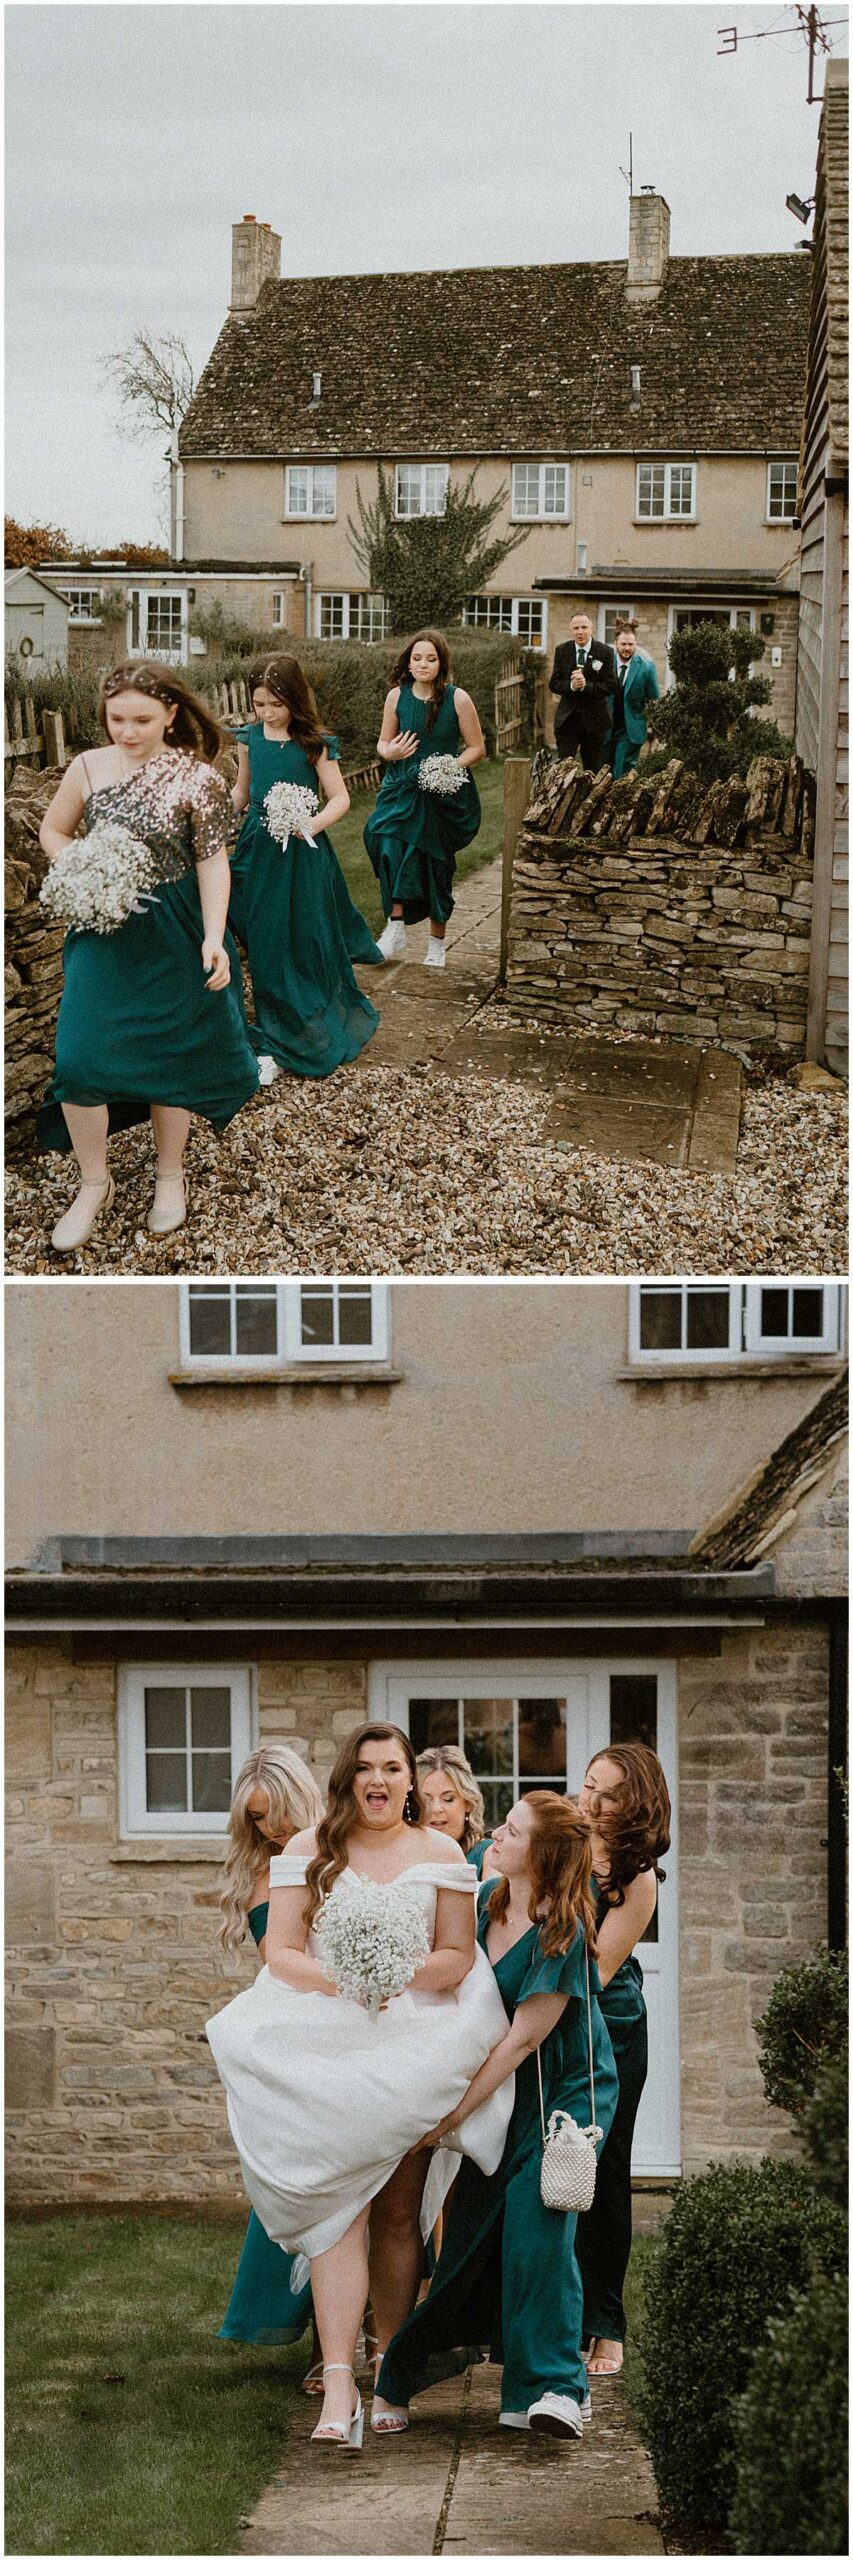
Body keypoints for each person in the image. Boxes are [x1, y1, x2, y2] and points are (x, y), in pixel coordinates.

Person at [206, 1723, 512, 2453]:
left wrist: (390, 1980)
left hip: (409, 2042)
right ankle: (339, 2379)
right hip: (326, 2039)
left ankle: (389, 2364)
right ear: (347, 1778)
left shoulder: (439, 1853)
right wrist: (345, 1982)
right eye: (366, 1768)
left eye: (392, 1769)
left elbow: (454, 1956)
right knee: (337, 2212)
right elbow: (281, 1950)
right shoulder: (306, 1850)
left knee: (400, 2212)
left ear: (410, 1782)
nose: (379, 1780)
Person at [377, 1791, 619, 2441]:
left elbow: (521, 2041)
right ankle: (411, 2373)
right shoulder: (488, 1898)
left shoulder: (563, 1928)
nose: (493, 1837)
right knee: (471, 2243)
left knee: (538, 2229)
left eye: (510, 1832)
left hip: (562, 2096)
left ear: (539, 1856)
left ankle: (558, 2391)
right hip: (503, 2095)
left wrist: (448, 2115)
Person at [36, 661, 260, 1250]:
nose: (127, 732)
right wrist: (83, 867)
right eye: (116, 719)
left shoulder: (198, 778)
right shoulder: (87, 767)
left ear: (171, 716)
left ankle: (169, 1176)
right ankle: (93, 1183)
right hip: (104, 934)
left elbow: (213, 862)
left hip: (174, 934)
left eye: (141, 719)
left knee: (170, 1057)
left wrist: (215, 938)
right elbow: (53, 832)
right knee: (80, 1058)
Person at [217, 1746, 325, 2384]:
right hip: (297, 2030)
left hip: (359, 2021)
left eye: (278, 1813)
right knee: (304, 2180)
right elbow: (283, 1964)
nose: (271, 1828)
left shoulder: (334, 1854)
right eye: (257, 1819)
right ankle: (320, 2337)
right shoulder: (266, 1875)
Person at [229, 656, 384, 1085]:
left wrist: (308, 824)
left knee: (302, 938)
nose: (267, 713)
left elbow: (339, 799)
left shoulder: (314, 742)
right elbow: (242, 793)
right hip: (257, 850)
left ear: (294, 699)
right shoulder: (248, 739)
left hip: (302, 856)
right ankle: (270, 1034)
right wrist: (211, 822)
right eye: (259, 704)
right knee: (265, 940)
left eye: (275, 704)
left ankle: (298, 1028)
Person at [574, 1743, 671, 2378]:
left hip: (610, 2025)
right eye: (589, 1786)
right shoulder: (564, 1843)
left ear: (635, 1804)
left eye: (610, 1794)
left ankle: (607, 2324)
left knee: (606, 2169)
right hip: (555, 2015)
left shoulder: (636, 1880)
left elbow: (599, 1968)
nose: (594, 1802)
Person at [364, 631, 485, 968]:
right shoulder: (395, 697)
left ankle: (437, 944)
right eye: (417, 658)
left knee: (436, 868)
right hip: (402, 787)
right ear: (408, 661)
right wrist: (392, 751)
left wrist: (450, 766)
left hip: (442, 795)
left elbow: (477, 747)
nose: (423, 664)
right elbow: (383, 743)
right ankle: (395, 925)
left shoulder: (458, 699)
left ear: (441, 663)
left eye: (431, 658)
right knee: (384, 840)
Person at [417, 1743, 500, 1881]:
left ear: (467, 1803)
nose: (436, 1809)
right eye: (426, 1800)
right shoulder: (402, 1853)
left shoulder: (489, 1855)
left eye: (448, 1799)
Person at [548, 613, 616, 771]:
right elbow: (554, 683)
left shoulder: (604, 652)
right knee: (564, 769)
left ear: (591, 628)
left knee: (593, 769)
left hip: (595, 721)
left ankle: (591, 796)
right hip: (567, 720)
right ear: (571, 630)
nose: (580, 632)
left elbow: (611, 685)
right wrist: (571, 686)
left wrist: (587, 686)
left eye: (584, 627)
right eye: (576, 628)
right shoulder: (562, 650)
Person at [607, 628, 661, 778]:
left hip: (630, 728)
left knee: (621, 768)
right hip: (606, 726)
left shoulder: (646, 667)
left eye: (630, 644)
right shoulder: (605, 664)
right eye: (623, 644)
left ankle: (619, 798)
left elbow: (654, 699)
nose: (627, 648)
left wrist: (653, 727)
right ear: (616, 643)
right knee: (604, 769)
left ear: (635, 644)